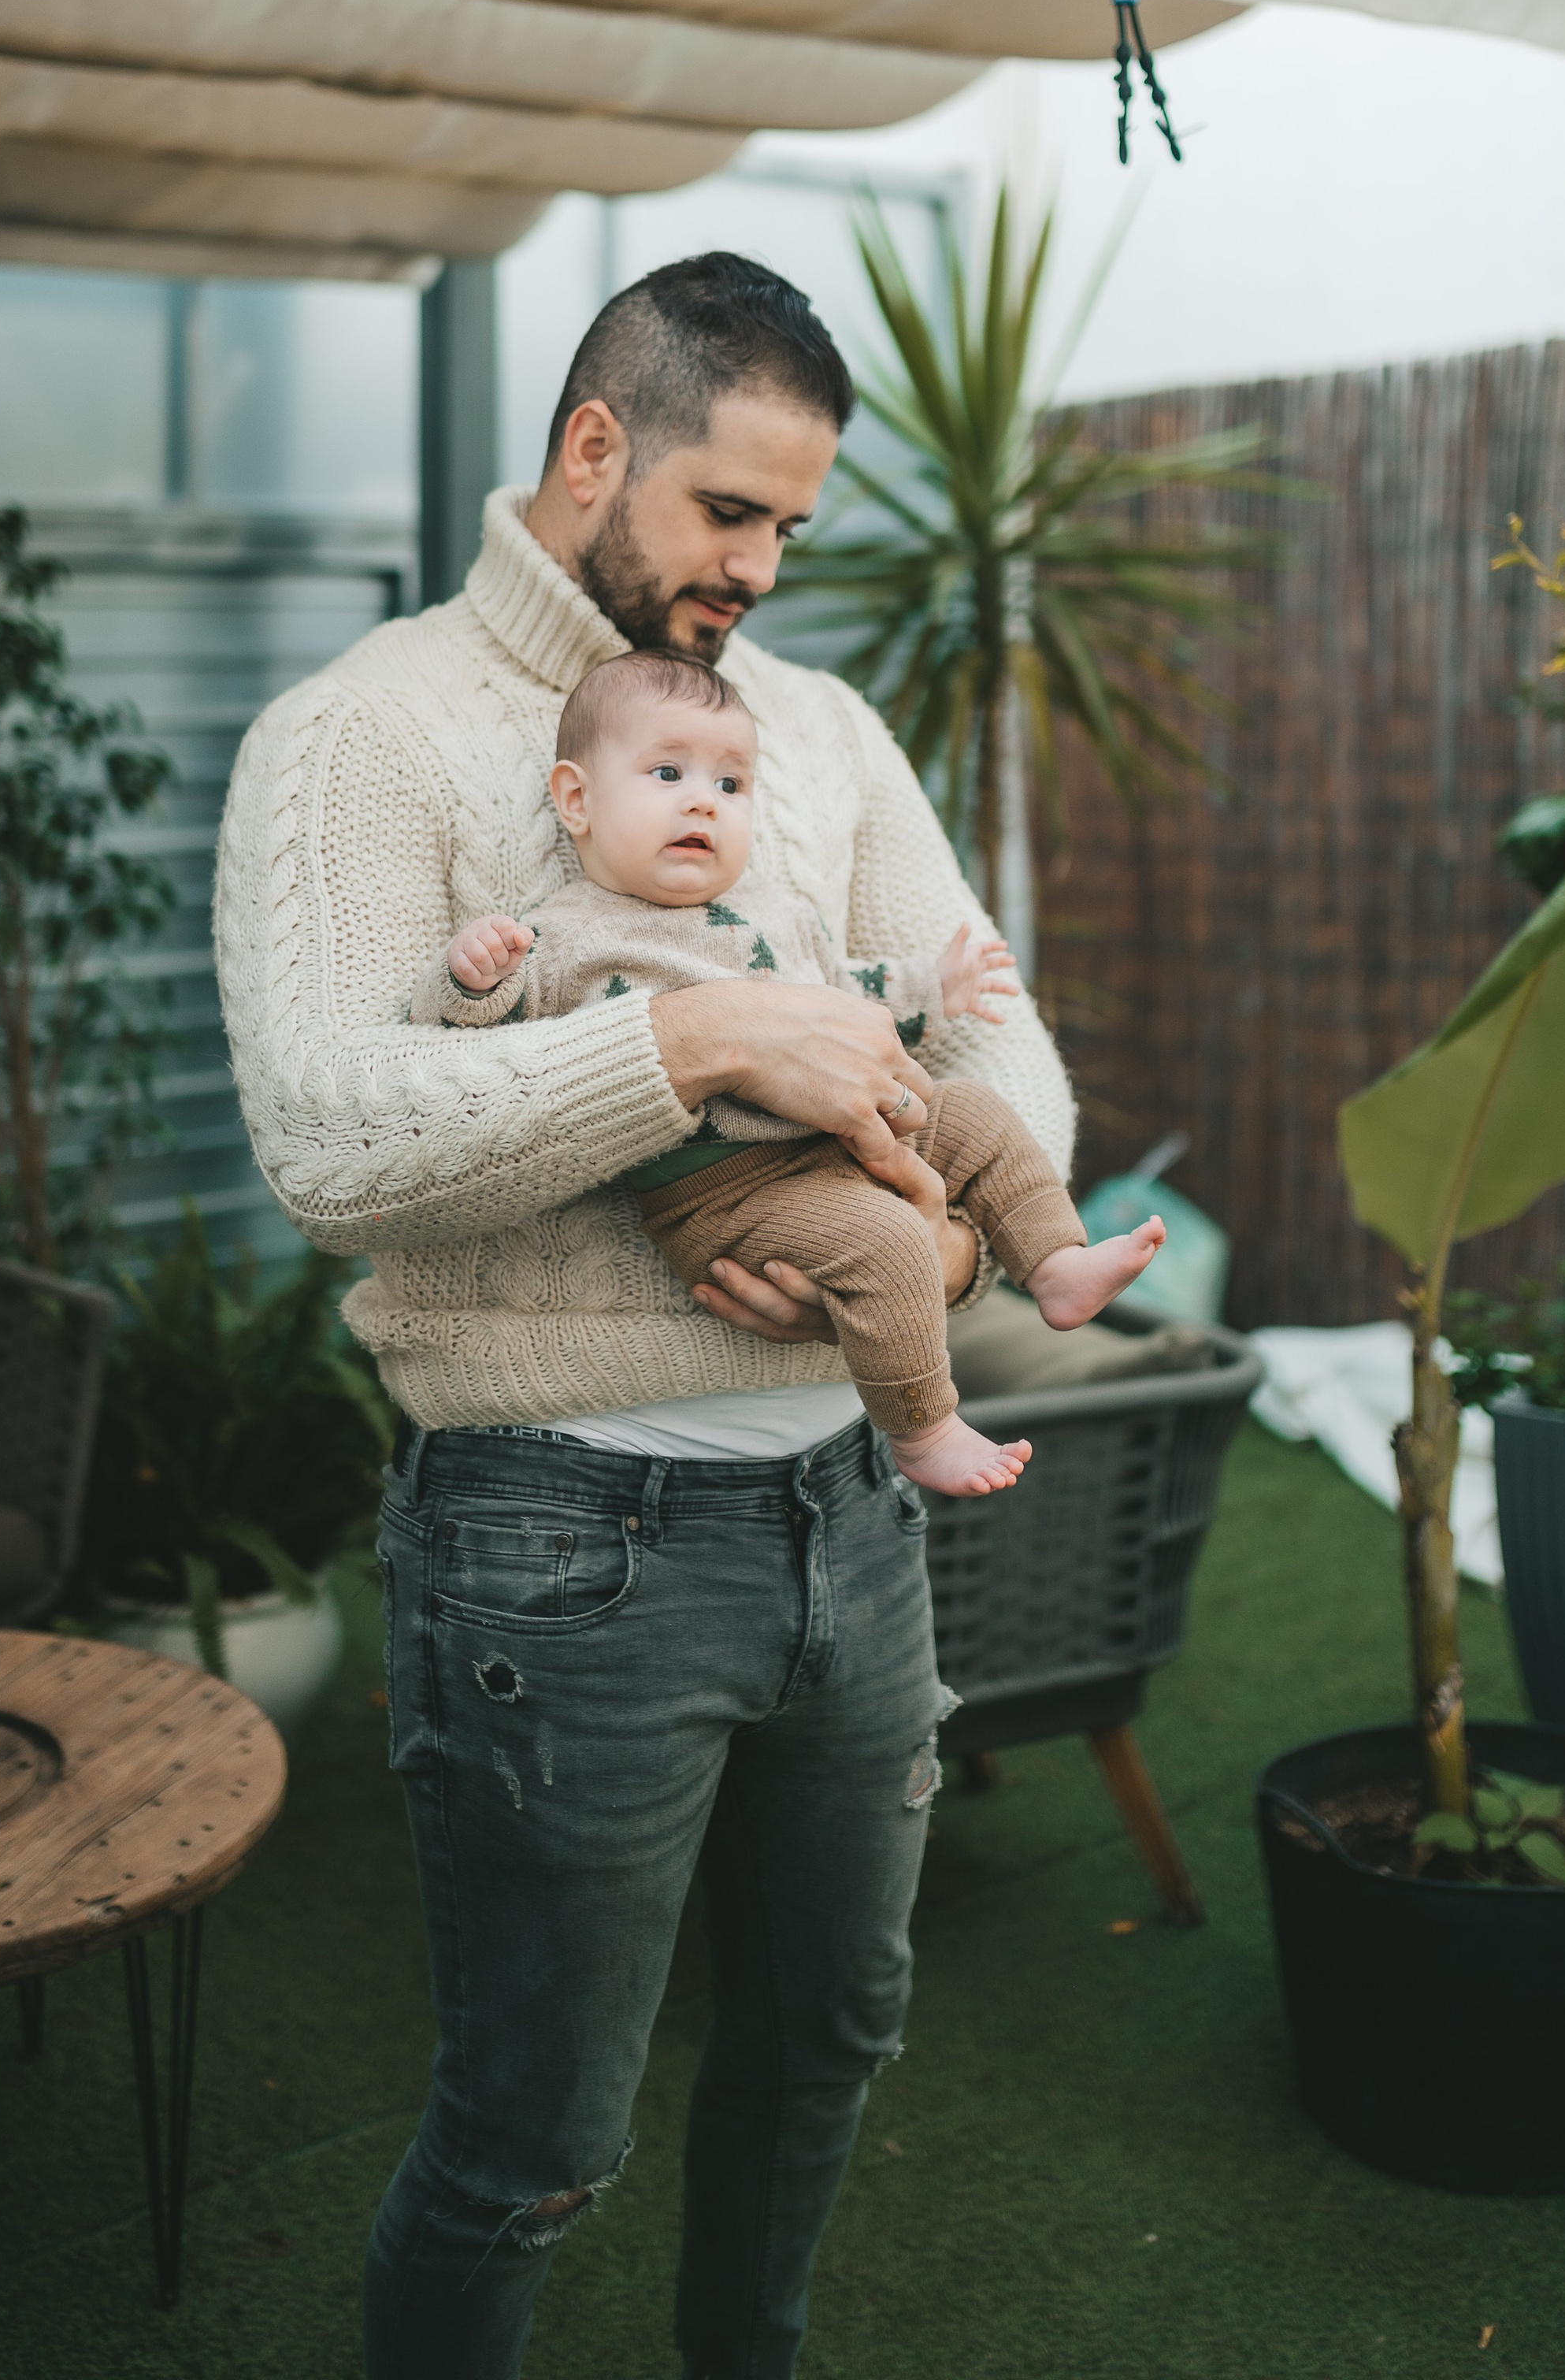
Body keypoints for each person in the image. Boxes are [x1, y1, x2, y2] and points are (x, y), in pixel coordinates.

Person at [213, 251, 1078, 2378]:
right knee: (535, 2144)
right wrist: (689, 1050)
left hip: (855, 1518)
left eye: (792, 523)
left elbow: (1000, 1043)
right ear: (595, 447)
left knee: (829, 2034)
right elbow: (326, 1137)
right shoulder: (359, 735)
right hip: (556, 1539)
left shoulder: (824, 733)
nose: (761, 567)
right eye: (729, 510)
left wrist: (940, 1255)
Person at [417, 646, 1165, 1494]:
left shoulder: (775, 908)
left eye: (730, 783)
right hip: (722, 1192)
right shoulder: (563, 935)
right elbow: (472, 1039)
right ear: (577, 799)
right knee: (885, 1239)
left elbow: (850, 994)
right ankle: (923, 1428)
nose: (703, 798)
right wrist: (469, 974)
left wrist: (934, 987)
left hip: (840, 1143)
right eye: (667, 772)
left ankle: (1054, 1263)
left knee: (977, 1114)